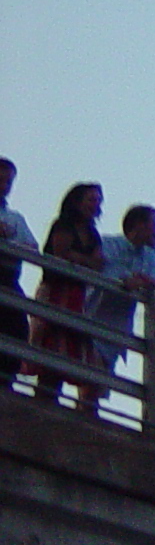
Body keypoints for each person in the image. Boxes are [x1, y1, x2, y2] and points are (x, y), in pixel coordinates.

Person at [31, 183, 106, 411]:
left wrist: (79, 260)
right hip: (55, 291)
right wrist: (83, 261)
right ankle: (44, 400)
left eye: (98, 201)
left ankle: (70, 403)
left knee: (73, 348)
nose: (96, 205)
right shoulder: (63, 225)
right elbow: (62, 254)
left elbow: (99, 264)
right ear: (77, 201)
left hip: (76, 296)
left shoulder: (92, 233)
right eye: (91, 199)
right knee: (51, 343)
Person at [92, 203, 155, 390]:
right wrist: (127, 280)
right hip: (93, 318)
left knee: (100, 384)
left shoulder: (148, 255)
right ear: (139, 225)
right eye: (153, 224)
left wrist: (145, 282)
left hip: (118, 327)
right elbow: (105, 271)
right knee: (90, 375)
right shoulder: (109, 244)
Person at [0, 158, 37, 391]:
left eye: (8, 181)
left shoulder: (15, 218)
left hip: (8, 278)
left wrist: (9, 242)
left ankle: (6, 381)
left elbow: (32, 248)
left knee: (16, 330)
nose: (5, 185)